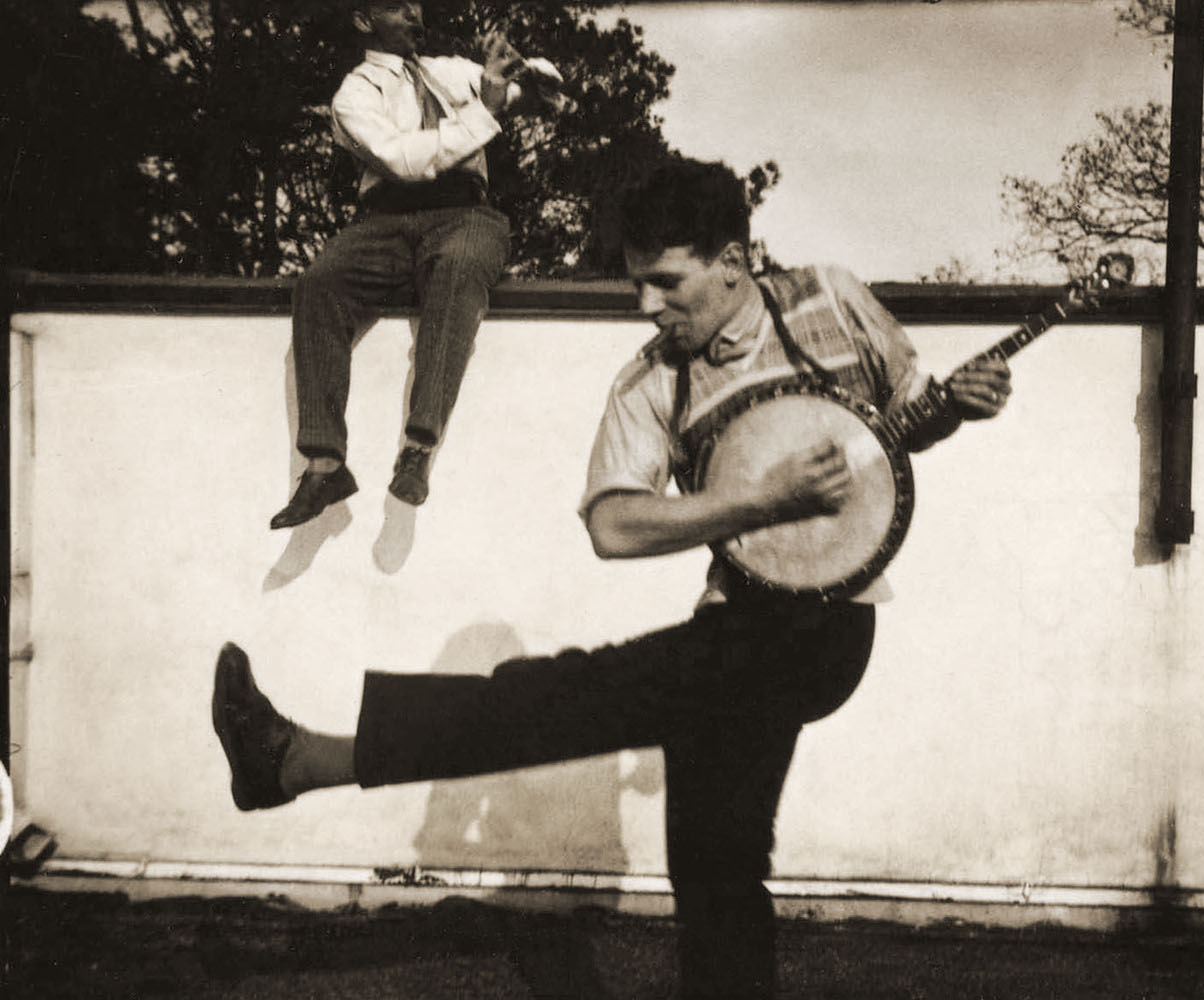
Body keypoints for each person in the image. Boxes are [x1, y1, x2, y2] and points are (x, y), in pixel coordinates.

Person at [215, 157, 1013, 997]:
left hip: (825, 626)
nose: (647, 305)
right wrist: (753, 501)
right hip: (731, 624)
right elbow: (612, 525)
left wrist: (958, 405)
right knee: (714, 868)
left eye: (666, 282)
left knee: (562, 699)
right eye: (636, 283)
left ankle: (298, 761)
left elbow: (894, 436)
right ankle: (291, 763)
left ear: (734, 263)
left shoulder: (831, 297)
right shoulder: (649, 381)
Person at [271, 1, 562, 529]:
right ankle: (324, 464)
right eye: (397, 6)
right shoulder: (354, 94)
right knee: (318, 283)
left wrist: (529, 73)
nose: (414, 13)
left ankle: (418, 447)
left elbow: (538, 96)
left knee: (459, 267)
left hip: (464, 215)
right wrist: (487, 111)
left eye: (416, 5)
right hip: (385, 221)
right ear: (363, 21)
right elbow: (403, 159)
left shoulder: (450, 71)